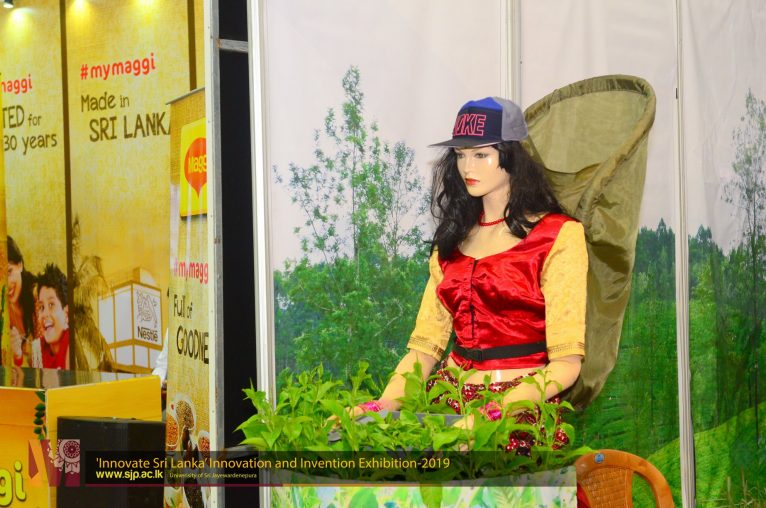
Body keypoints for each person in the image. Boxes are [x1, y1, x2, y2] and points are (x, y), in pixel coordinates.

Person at [356, 97, 588, 453]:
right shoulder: (451, 242)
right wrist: (381, 406)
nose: (467, 166)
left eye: (481, 154)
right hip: (448, 406)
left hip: (519, 415)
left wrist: (492, 416)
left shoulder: (558, 235)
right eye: (461, 154)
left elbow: (566, 364)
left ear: (511, 157)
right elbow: (424, 349)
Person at [7, 236, 40, 367]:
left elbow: (43, 361)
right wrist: (17, 356)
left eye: (9, 271)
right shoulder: (4, 311)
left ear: (20, 265)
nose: (6, 284)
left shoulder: (37, 297)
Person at [35, 263, 70, 370]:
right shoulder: (38, 349)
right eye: (41, 307)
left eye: (51, 305)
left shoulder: (70, 344)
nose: (45, 314)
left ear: (66, 313)